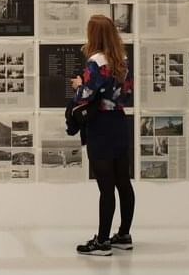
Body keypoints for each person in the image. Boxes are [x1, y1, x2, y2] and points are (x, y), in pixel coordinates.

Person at [70, 14, 134, 257]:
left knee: (105, 187)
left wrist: (78, 85)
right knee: (123, 183)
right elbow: (126, 95)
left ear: (93, 35)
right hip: (118, 121)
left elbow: (84, 95)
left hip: (101, 125)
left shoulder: (95, 62)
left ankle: (102, 241)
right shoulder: (122, 61)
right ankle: (124, 234)